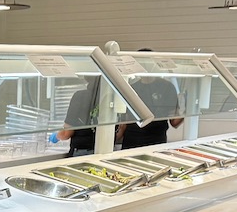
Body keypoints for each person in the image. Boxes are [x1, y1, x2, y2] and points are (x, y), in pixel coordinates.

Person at [57, 65, 185, 156]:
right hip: (118, 148)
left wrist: (56, 136)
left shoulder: (80, 96)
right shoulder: (120, 92)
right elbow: (122, 125)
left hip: (84, 151)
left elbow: (66, 134)